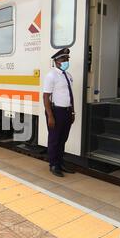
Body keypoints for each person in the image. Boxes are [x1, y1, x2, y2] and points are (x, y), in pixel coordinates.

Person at [43, 48, 76, 177]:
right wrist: (50, 116)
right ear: (56, 61)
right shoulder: (51, 76)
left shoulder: (68, 76)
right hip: (56, 112)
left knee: (63, 139)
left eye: (67, 59)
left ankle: (60, 162)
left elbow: (70, 95)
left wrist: (72, 112)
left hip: (67, 112)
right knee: (54, 139)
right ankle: (53, 164)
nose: (66, 61)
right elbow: (46, 97)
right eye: (63, 59)